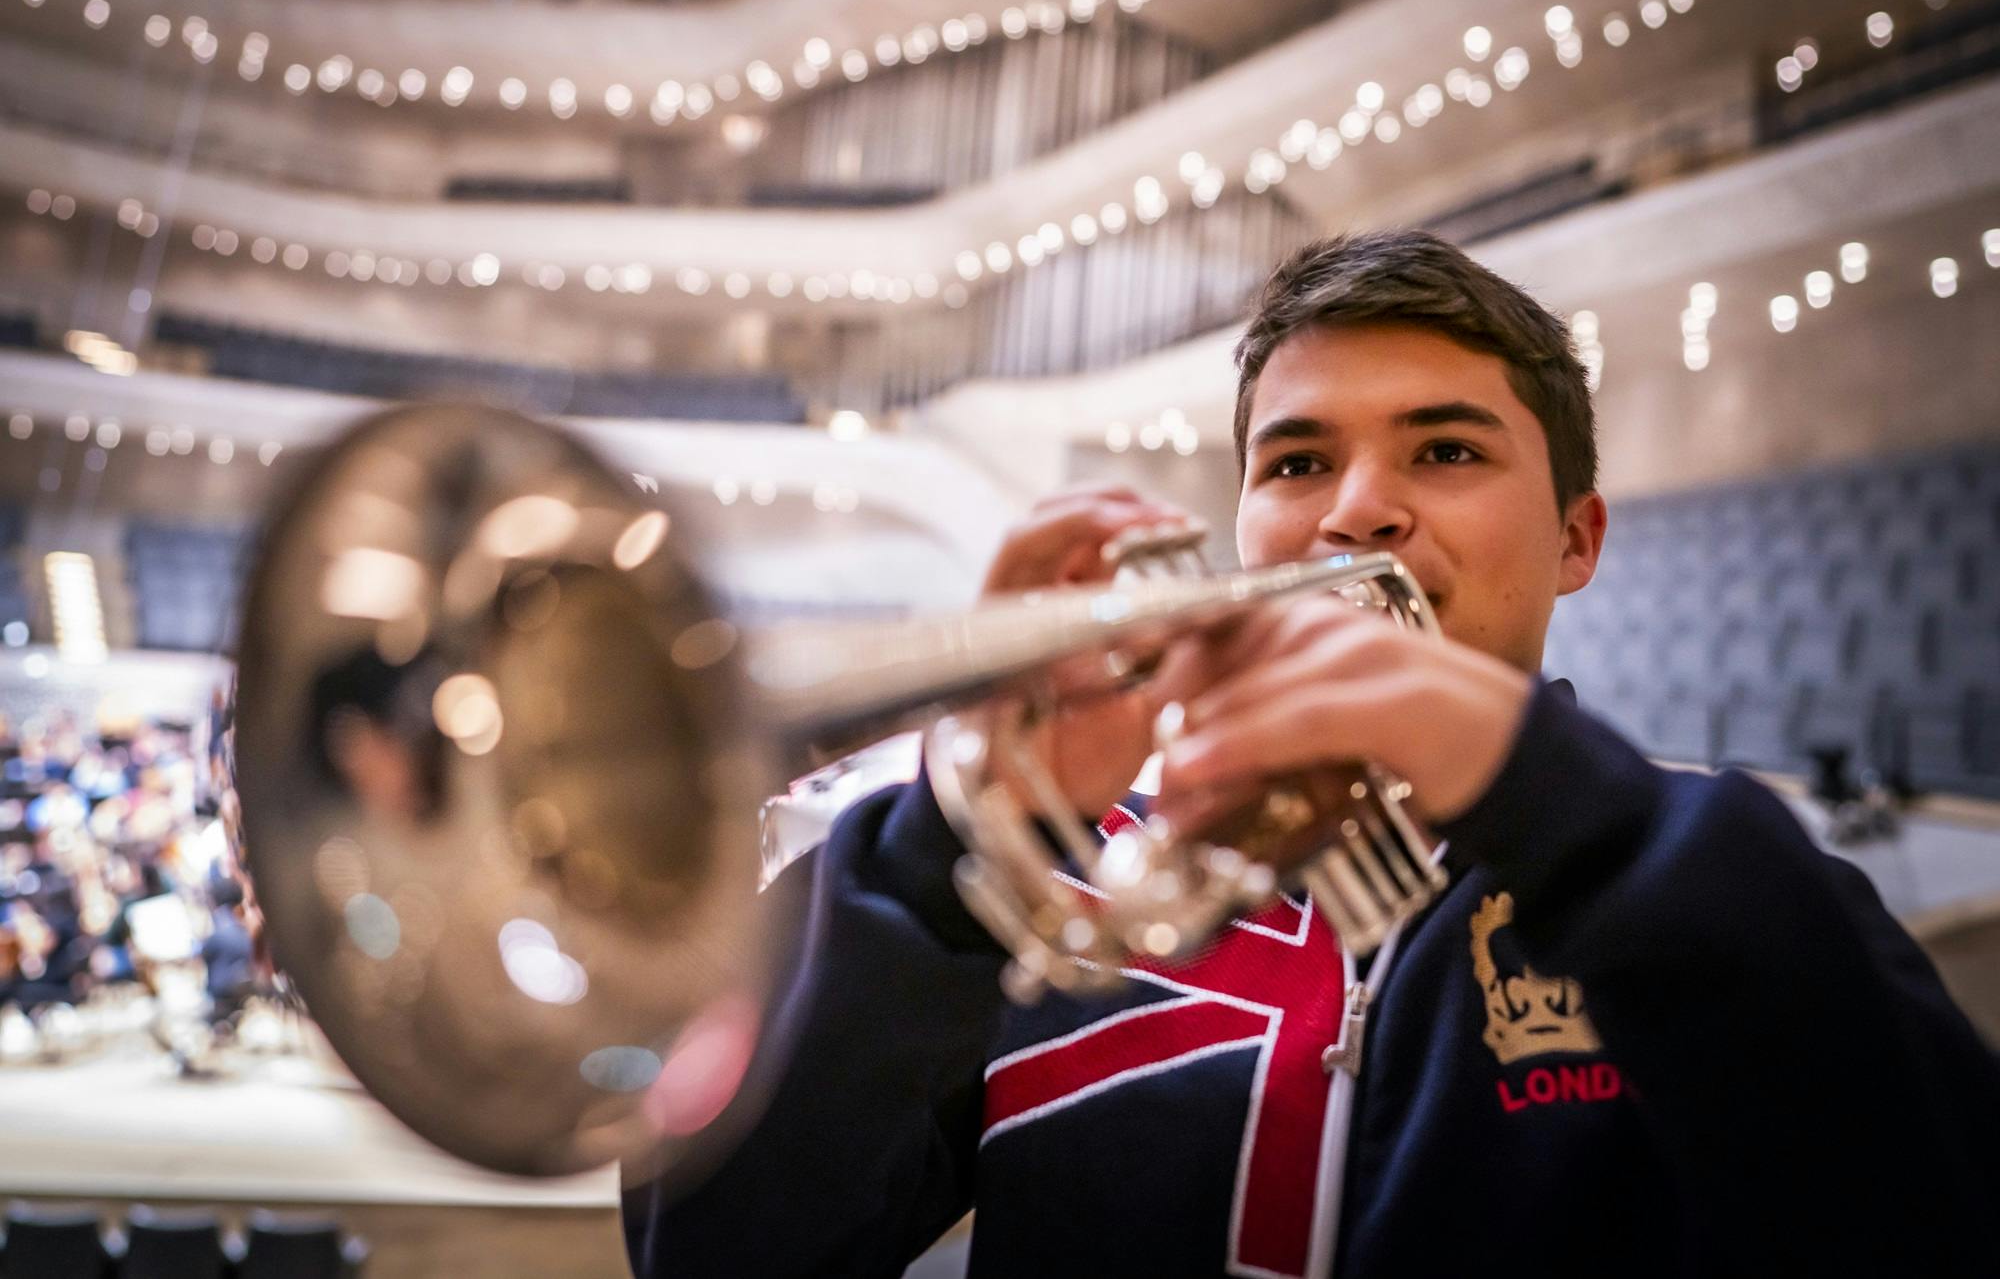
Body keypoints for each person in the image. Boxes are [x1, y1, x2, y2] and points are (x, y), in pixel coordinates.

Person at [623, 230, 2000, 1278]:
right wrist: (947, 851)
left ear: (1577, 539)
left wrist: (1537, 787)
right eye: (1294, 464)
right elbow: (712, 1247)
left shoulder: (1698, 875)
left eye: (1446, 451)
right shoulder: (1048, 885)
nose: (1356, 513)